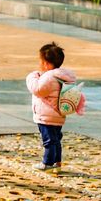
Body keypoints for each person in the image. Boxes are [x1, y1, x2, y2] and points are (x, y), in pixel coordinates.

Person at [26, 42, 79, 172]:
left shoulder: (49, 77)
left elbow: (38, 89)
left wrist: (31, 77)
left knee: (48, 140)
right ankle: (57, 161)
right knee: (56, 139)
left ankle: (47, 163)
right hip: (58, 114)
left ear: (46, 64)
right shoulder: (63, 76)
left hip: (46, 115)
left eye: (41, 61)